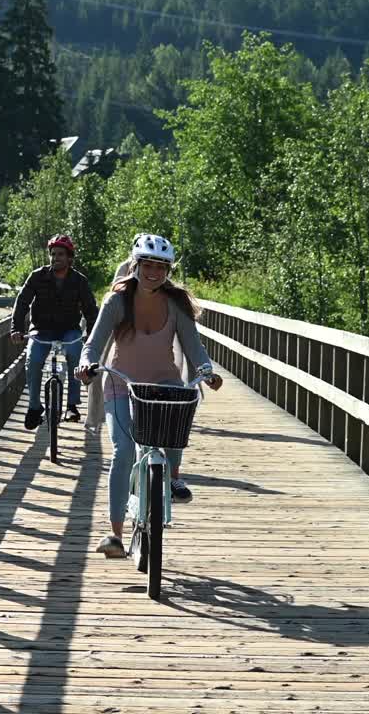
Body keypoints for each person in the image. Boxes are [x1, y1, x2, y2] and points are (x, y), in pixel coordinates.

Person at [76, 233, 224, 558]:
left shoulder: (176, 305)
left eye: (161, 267)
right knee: (123, 450)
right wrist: (87, 363)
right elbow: (94, 343)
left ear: (168, 270)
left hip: (162, 384)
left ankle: (172, 477)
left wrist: (206, 371)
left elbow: (194, 348)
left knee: (178, 416)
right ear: (135, 265)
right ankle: (115, 534)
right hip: (120, 383)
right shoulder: (117, 301)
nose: (154, 273)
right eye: (148, 265)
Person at [10, 234, 100, 430]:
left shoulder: (79, 281)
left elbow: (91, 310)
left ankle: (72, 405)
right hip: (41, 330)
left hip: (69, 330)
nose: (55, 258)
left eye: (60, 254)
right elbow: (22, 303)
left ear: (70, 258)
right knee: (33, 360)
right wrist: (16, 329)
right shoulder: (37, 276)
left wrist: (91, 336)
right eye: (52, 254)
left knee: (76, 353)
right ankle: (34, 407)